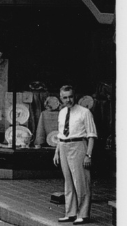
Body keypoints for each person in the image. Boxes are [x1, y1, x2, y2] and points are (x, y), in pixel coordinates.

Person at [54, 85, 96, 224]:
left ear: (75, 96)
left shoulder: (85, 112)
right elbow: (60, 134)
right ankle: (70, 212)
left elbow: (91, 135)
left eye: (70, 96)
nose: (68, 100)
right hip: (64, 146)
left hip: (78, 146)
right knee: (68, 182)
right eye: (65, 97)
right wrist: (57, 152)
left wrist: (88, 155)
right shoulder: (62, 112)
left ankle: (83, 214)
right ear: (61, 98)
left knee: (81, 182)